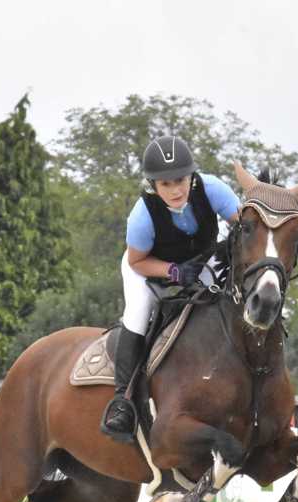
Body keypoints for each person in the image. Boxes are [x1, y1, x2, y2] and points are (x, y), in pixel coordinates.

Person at [100, 135, 241, 442]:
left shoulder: (213, 189)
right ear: (154, 185)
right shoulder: (142, 216)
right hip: (148, 266)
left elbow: (245, 227)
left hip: (200, 261)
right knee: (138, 314)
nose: (176, 190)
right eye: (166, 184)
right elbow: (137, 260)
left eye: (180, 180)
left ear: (192, 176)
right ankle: (122, 400)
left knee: (220, 302)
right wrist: (172, 270)